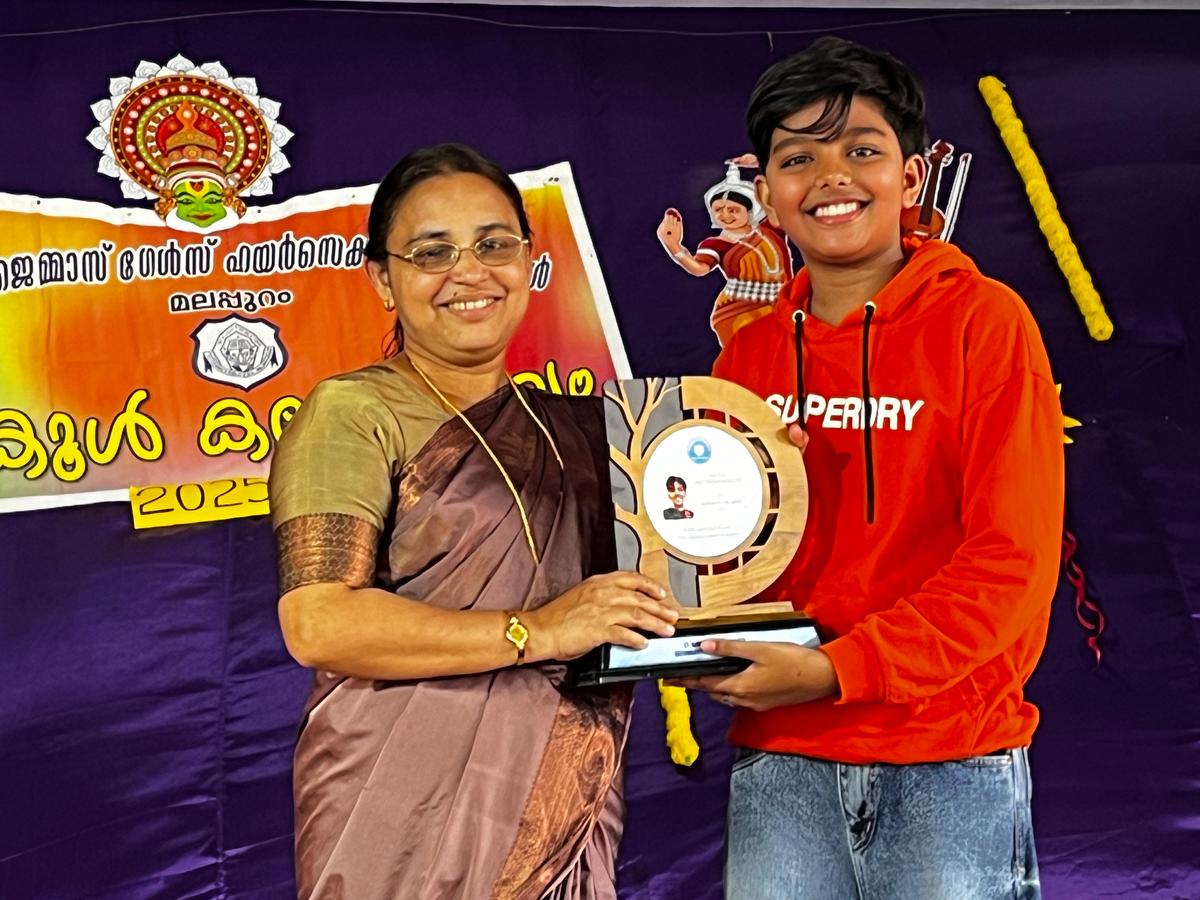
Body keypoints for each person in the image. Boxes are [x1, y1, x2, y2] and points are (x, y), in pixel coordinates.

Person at [672, 37, 1064, 899]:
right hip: (782, 758)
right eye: (797, 158)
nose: (831, 177)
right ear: (767, 193)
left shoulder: (986, 324)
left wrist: (836, 670)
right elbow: (708, 562)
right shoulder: (746, 359)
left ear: (911, 178)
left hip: (949, 752)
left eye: (861, 150)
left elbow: (1012, 565)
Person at [268, 143, 679, 900]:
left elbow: (678, 564)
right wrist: (540, 630)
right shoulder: (352, 413)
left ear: (528, 261)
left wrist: (757, 463)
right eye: (433, 253)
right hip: (395, 804)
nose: (469, 272)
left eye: (494, 244)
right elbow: (319, 625)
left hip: (555, 793)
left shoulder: (579, 430)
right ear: (383, 280)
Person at [656, 155, 794, 346]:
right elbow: (699, 268)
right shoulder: (716, 243)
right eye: (718, 209)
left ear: (750, 211)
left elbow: (783, 193)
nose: (725, 215)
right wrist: (674, 246)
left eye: (733, 210)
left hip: (784, 305)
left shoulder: (771, 228)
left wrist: (761, 164)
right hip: (739, 312)